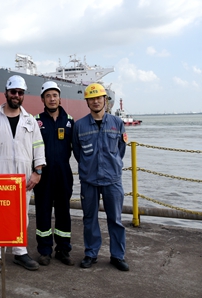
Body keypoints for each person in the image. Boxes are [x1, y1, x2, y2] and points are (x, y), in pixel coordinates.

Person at [0, 75, 44, 273]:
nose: (16, 95)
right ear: (6, 93)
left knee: (21, 215)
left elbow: (38, 146)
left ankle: (20, 252)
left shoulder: (30, 121)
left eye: (20, 92)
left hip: (23, 177)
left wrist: (37, 171)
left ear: (23, 95)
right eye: (13, 92)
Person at [72, 83, 129, 271]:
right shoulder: (79, 126)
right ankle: (91, 253)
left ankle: (117, 256)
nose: (95, 101)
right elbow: (78, 153)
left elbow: (121, 150)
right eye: (92, 99)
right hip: (89, 180)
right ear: (87, 102)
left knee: (116, 220)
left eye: (98, 98)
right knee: (89, 219)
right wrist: (90, 167)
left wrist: (111, 166)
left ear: (105, 100)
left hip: (112, 180)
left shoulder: (117, 123)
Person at [34, 81, 75, 266]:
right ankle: (44, 250)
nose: (52, 99)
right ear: (42, 99)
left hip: (63, 173)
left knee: (63, 211)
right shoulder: (36, 121)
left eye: (55, 95)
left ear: (60, 98)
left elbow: (77, 148)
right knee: (43, 211)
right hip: (43, 174)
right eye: (48, 96)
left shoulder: (70, 121)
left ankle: (63, 249)